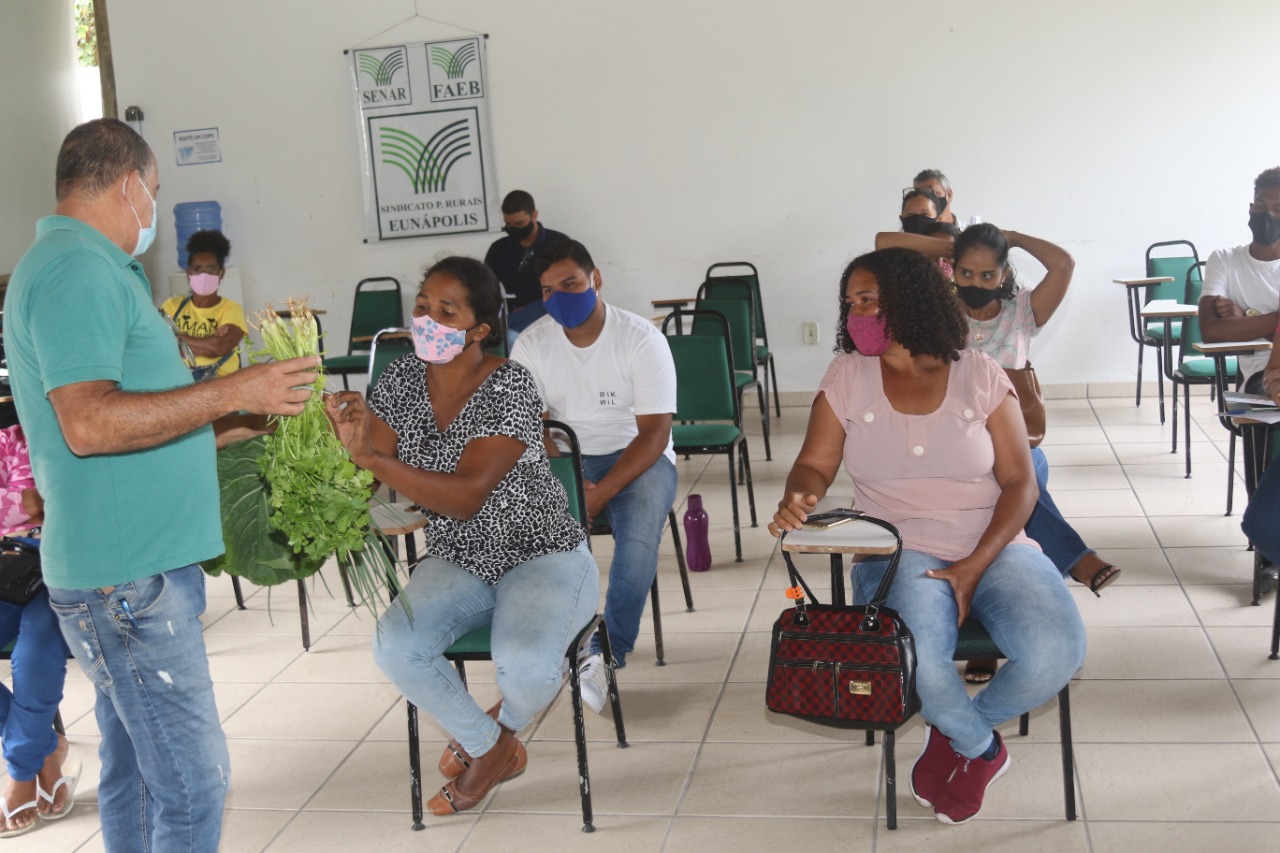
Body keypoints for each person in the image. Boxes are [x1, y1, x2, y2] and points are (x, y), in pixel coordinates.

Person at [4, 118, 320, 852]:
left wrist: (247, 414)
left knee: (140, 774)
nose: (153, 208)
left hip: (130, 566)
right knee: (192, 780)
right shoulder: (75, 271)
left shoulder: (88, 266)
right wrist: (228, 387)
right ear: (127, 184)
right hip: (126, 577)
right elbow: (88, 422)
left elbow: (137, 420)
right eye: (154, 190)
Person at [769, 248, 1085, 825]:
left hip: (996, 541)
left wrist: (976, 562)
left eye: (868, 299)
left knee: (1057, 652)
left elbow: (1020, 483)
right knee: (920, 664)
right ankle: (982, 749)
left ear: (909, 301)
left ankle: (954, 734)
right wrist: (801, 493)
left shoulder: (979, 374)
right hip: (896, 549)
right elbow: (814, 462)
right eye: (851, 303)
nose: (856, 312)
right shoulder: (847, 376)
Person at [326, 256, 598, 816]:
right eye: (422, 306)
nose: (426, 318)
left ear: (479, 328)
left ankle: (498, 733)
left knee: (525, 666)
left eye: (445, 311)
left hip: (541, 550)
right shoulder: (401, 379)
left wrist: (373, 456)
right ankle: (493, 749)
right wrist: (346, 439)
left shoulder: (510, 383)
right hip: (459, 556)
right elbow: (368, 471)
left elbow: (467, 494)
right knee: (395, 646)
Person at [511, 239, 677, 713]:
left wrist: (598, 494)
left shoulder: (641, 338)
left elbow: (653, 434)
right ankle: (559, 644)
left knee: (639, 537)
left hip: (638, 458)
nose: (560, 297)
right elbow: (532, 426)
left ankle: (607, 653)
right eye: (548, 291)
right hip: (565, 460)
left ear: (595, 279)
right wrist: (567, 481)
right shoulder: (532, 343)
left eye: (571, 284)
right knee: (542, 539)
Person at [0, 424, 74, 838]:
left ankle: (21, 773)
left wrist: (23, 505)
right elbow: (41, 503)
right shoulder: (8, 439)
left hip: (65, 567)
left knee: (34, 655)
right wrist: (32, 504)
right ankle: (47, 750)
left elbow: (74, 502)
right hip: (8, 569)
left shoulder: (77, 432)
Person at [1199, 166, 1280, 394]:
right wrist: (1276, 320)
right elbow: (1210, 331)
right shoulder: (1225, 259)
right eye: (1261, 206)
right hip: (1260, 375)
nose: (1268, 215)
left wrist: (1245, 316)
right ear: (1251, 208)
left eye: (1278, 208)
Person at [484, 190, 570, 347]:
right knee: (506, 335)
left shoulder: (559, 244)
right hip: (516, 318)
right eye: (508, 225)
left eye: (519, 224)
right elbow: (484, 288)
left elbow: (569, 288)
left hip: (553, 312)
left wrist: (528, 311)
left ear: (534, 215)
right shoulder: (498, 250)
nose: (514, 229)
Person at [160, 229, 246, 379]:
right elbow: (157, 343)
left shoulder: (231, 309)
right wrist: (208, 342)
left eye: (211, 268)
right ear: (188, 273)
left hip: (221, 388)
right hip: (178, 386)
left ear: (221, 273)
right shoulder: (172, 306)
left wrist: (175, 339)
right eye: (197, 269)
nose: (204, 275)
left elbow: (219, 347)